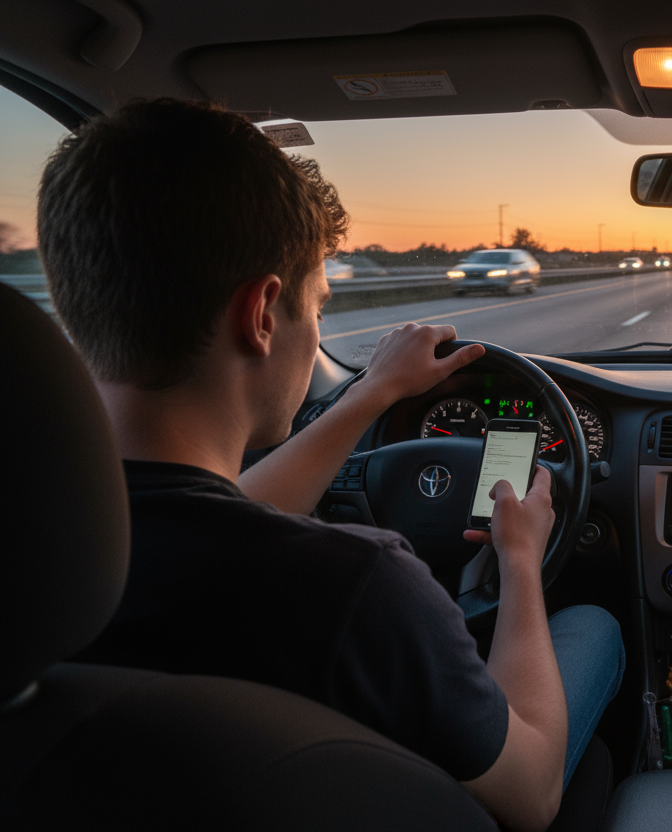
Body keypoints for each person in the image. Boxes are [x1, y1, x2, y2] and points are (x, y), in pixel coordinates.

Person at [38, 98, 623, 832]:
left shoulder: (43, 559)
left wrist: (373, 393)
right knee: (595, 630)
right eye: (318, 302)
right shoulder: (359, 590)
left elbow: (227, 512)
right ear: (260, 315)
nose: (317, 322)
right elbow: (533, 794)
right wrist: (520, 561)